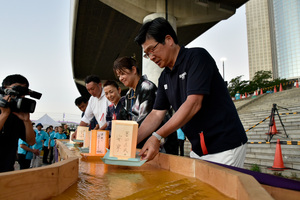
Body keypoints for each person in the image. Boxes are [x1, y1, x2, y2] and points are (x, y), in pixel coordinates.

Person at [135, 17, 248, 167]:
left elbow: (194, 103)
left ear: (168, 40)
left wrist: (157, 136)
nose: (151, 57)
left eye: (152, 49)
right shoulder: (164, 77)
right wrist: (130, 141)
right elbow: (156, 113)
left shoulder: (197, 58)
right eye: (146, 54)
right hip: (198, 149)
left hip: (224, 146)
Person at [0, 74, 36, 172]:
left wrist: (27, 121)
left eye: (21, 93)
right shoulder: (3, 112)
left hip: (7, 171)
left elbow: (31, 141)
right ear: (4, 90)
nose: (18, 97)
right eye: (15, 92)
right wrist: (4, 115)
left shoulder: (17, 115)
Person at [72, 75, 111, 139]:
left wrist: (99, 130)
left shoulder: (108, 96)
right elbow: (86, 118)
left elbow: (112, 118)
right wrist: (77, 131)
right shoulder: (92, 99)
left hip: (111, 133)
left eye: (93, 89)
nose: (91, 92)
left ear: (100, 85)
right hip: (102, 134)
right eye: (88, 90)